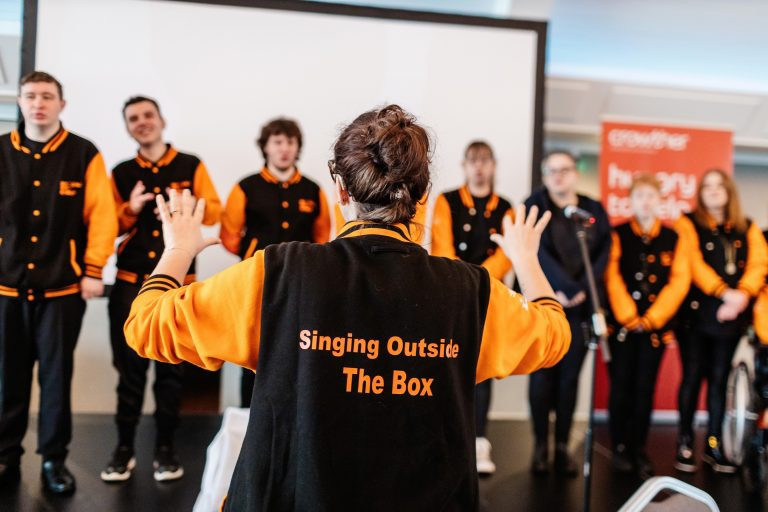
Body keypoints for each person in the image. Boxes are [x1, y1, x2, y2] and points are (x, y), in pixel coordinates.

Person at [124, 105, 570, 510]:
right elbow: (554, 335)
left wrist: (178, 250)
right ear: (424, 193)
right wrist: (526, 261)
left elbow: (145, 325)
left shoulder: (277, 273)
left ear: (339, 190)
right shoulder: (470, 289)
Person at [0, 71, 117, 494]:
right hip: (5, 288)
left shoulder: (84, 153)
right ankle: (5, 456)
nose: (38, 103)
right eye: (30, 96)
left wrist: (91, 270)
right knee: (5, 377)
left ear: (61, 105)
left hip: (63, 289)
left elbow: (102, 217)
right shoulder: (1, 151)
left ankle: (53, 460)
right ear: (21, 102)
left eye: (47, 96)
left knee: (55, 377)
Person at [102, 96, 221, 483]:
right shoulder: (120, 172)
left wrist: (186, 205)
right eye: (133, 119)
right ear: (127, 127)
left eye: (147, 115)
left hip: (178, 287)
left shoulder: (190, 165)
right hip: (128, 287)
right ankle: (123, 451)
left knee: (171, 374)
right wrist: (130, 210)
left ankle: (166, 451)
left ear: (162, 120)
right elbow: (107, 226)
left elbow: (216, 212)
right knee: (129, 372)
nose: (142, 123)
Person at [219, 117, 331, 407]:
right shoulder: (246, 187)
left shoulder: (312, 190)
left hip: (301, 286)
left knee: (298, 353)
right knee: (254, 353)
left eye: (290, 142)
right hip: (255, 283)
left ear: (297, 148)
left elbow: (322, 238)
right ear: (266, 147)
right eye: (278, 142)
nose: (284, 149)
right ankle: (248, 418)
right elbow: (230, 236)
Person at [524, 149, 611, 476]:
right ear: (545, 176)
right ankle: (539, 446)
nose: (558, 176)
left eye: (564, 169)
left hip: (580, 309)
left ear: (575, 173)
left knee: (569, 380)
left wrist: (582, 289)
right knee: (541, 378)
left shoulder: (593, 209)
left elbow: (604, 250)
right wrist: (561, 288)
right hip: (544, 305)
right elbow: (536, 253)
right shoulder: (534, 205)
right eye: (551, 170)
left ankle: (561, 445)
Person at [674, 169, 768, 473]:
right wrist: (723, 292)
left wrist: (742, 295)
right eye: (707, 186)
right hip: (695, 316)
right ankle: (685, 441)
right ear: (700, 193)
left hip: (732, 317)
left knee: (719, 381)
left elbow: (758, 263)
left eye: (719, 186)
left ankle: (714, 445)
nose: (713, 191)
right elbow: (692, 263)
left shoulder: (747, 227)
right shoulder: (687, 223)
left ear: (729, 191)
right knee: (692, 377)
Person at [430, 140, 513, 475]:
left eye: (485, 161)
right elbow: (442, 246)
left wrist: (477, 278)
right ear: (464, 165)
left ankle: (479, 442)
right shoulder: (446, 201)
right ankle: (447, 440)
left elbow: (507, 253)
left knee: (483, 371)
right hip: (451, 298)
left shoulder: (506, 207)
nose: (479, 167)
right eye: (473, 161)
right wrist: (463, 280)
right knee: (448, 368)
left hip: (488, 298)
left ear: (493, 166)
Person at [604, 174, 690, 477]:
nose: (645, 201)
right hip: (623, 328)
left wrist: (653, 319)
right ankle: (619, 448)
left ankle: (639, 448)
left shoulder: (673, 237)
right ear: (630, 200)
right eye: (639, 196)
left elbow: (679, 283)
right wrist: (629, 316)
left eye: (651, 196)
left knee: (645, 389)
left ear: (660, 201)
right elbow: (611, 277)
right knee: (621, 388)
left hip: (655, 330)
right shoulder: (616, 234)